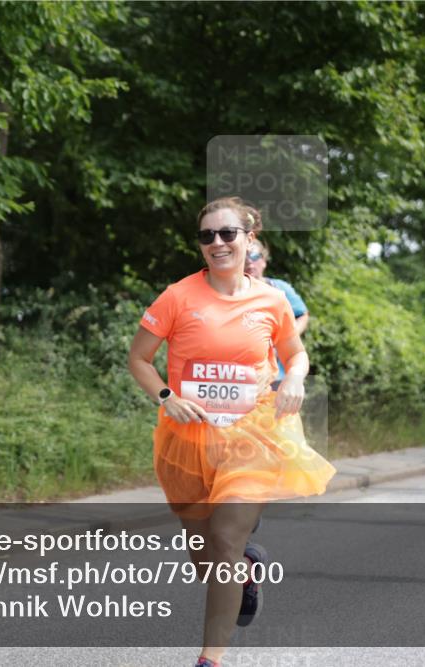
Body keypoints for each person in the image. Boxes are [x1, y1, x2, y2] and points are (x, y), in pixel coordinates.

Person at [127, 197, 335, 667]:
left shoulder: (272, 299)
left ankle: (209, 659)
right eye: (207, 236)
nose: (217, 243)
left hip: (254, 434)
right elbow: (138, 359)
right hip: (188, 439)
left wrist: (295, 378)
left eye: (227, 234)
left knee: (224, 540)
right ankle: (244, 573)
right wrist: (167, 397)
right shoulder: (177, 297)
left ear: (249, 237)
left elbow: (295, 353)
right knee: (205, 556)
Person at [244, 238, 309, 390]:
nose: (249, 262)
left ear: (264, 261)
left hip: (276, 376)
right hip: (240, 378)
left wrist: (283, 339)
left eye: (254, 256)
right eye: (244, 257)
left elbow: (303, 314)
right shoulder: (231, 293)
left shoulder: (279, 288)